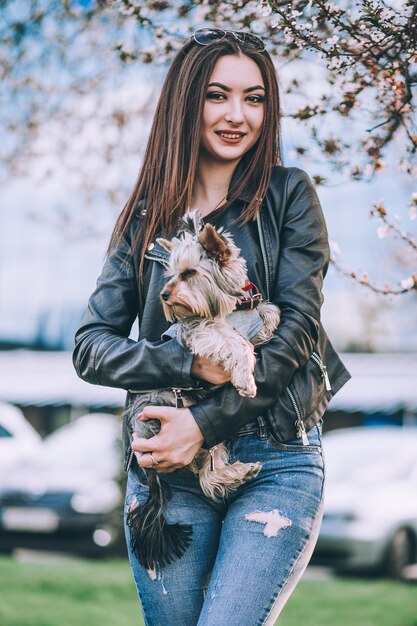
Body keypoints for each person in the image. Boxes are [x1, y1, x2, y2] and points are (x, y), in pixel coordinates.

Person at [73, 28, 350, 626]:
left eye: (254, 99)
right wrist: (183, 365)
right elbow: (91, 348)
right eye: (217, 95)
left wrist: (203, 423)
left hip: (276, 457)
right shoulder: (147, 215)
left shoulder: (287, 195)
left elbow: (297, 330)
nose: (236, 115)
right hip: (167, 470)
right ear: (186, 103)